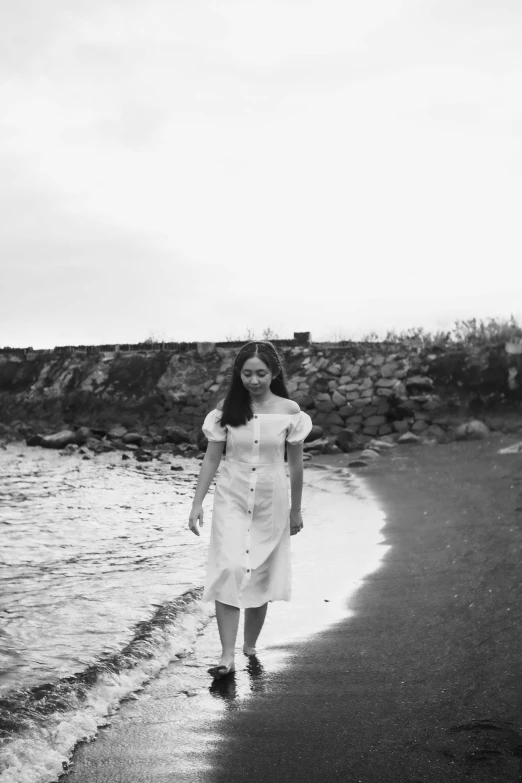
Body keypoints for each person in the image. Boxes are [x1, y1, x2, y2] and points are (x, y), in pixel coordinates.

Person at [188, 340, 313, 679]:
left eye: (261, 373)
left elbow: (296, 467)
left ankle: (250, 645)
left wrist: (296, 511)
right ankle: (226, 656)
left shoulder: (290, 412)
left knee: (260, 574)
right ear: (238, 373)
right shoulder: (225, 410)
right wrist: (197, 502)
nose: (254, 380)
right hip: (232, 495)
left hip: (272, 501)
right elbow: (212, 457)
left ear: (274, 373)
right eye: (247, 373)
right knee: (228, 567)